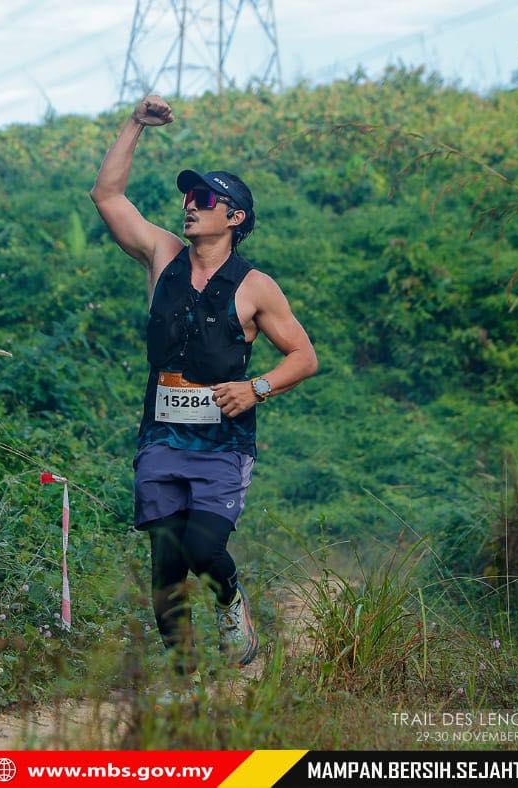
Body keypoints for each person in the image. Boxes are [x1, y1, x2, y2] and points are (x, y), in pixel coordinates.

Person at [89, 95, 319, 688]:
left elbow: (304, 357)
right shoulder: (162, 254)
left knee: (202, 547)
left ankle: (231, 601)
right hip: (161, 435)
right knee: (165, 561)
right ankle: (183, 680)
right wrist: (135, 124)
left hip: (222, 444)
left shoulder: (255, 286)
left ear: (235, 217)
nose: (190, 206)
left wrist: (256, 387)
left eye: (205, 199)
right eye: (188, 197)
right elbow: (108, 196)